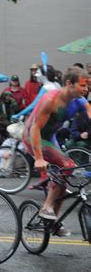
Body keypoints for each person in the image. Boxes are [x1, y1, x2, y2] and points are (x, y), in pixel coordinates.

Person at [23, 67, 90, 236]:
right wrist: (38, 158)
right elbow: (35, 129)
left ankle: (52, 221)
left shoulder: (80, 102)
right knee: (67, 165)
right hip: (33, 137)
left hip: (50, 138)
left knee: (64, 177)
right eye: (83, 85)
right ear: (69, 83)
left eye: (88, 85)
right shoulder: (51, 100)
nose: (86, 89)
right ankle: (46, 206)